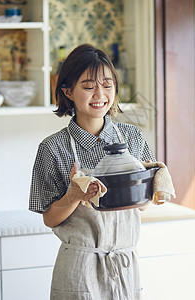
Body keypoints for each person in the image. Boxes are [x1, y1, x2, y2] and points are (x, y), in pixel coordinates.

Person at [29, 44, 159, 300]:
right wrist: (74, 196)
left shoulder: (132, 137)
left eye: (107, 85)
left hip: (125, 263)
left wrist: (148, 181)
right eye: (88, 86)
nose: (100, 94)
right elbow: (49, 218)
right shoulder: (52, 148)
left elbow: (144, 205)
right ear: (68, 92)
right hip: (79, 267)